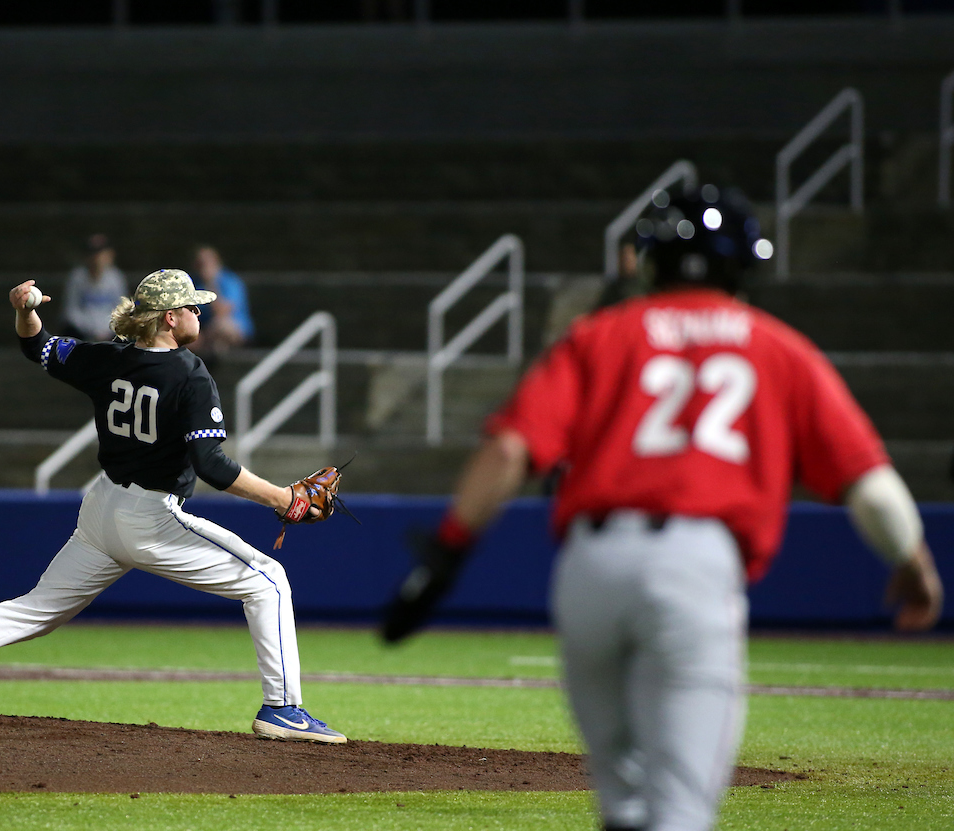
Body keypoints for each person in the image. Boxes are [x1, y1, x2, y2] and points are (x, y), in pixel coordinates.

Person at [381, 185, 943, 830]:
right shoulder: (778, 348)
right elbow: (867, 483)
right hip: (695, 567)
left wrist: (448, 552)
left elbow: (509, 452)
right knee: (678, 811)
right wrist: (913, 559)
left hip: (591, 569)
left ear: (650, 260)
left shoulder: (598, 335)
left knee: (623, 809)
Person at [0, 269, 346, 745]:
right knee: (269, 581)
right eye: (194, 305)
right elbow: (211, 465)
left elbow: (36, 346)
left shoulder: (110, 359)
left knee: (34, 611)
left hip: (102, 508)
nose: (201, 312)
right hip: (150, 517)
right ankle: (282, 709)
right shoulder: (191, 375)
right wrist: (286, 499)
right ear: (170, 317)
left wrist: (26, 311)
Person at [61, 233, 129, 342]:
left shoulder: (116, 278)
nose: (97, 258)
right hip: (82, 333)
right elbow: (71, 312)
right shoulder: (77, 278)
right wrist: (90, 331)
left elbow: (121, 310)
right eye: (93, 253)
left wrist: (105, 331)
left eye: (100, 253)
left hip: (109, 333)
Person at [189, 246, 254, 358]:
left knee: (220, 325)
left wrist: (210, 283)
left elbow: (222, 311)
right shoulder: (192, 283)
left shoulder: (230, 281)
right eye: (200, 263)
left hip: (232, 329)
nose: (203, 267)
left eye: (206, 263)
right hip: (202, 329)